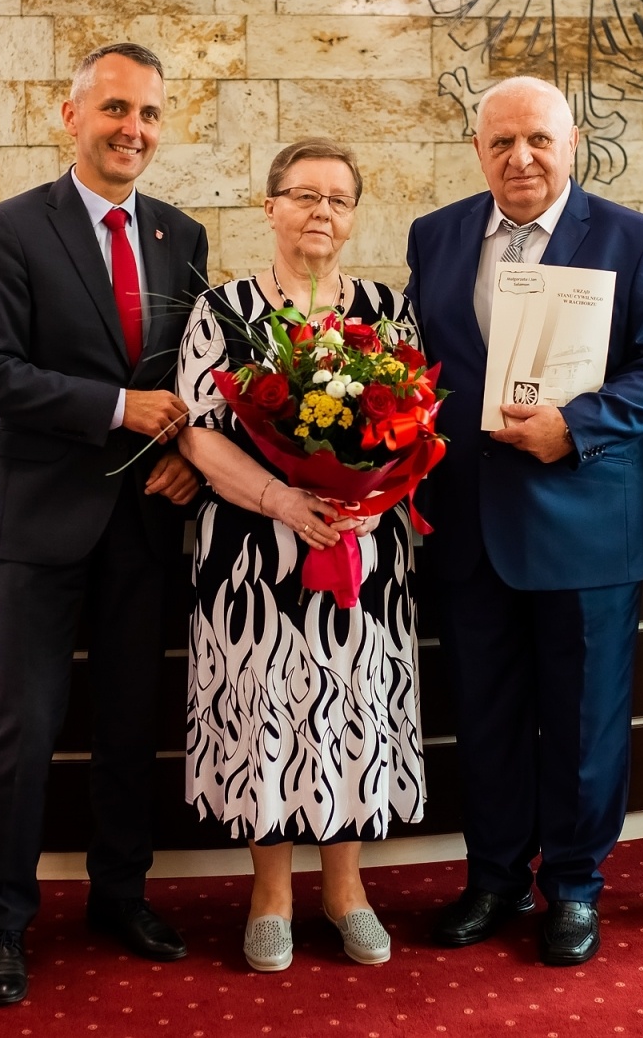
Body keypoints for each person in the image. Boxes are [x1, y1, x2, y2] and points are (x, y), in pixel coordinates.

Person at [404, 76, 643, 966]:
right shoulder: (438, 234)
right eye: (501, 143)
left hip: (584, 525)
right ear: (478, 151)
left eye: (538, 139)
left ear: (573, 144)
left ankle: (573, 885)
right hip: (467, 526)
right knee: (485, 717)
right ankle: (492, 876)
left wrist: (578, 424)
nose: (520, 158)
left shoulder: (635, 237)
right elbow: (424, 365)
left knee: (582, 723)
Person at [0, 42, 209, 1005]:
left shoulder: (181, 237)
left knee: (128, 727)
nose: (131, 130)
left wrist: (188, 451)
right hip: (40, 523)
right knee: (26, 728)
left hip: (146, 521)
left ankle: (119, 895)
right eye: (113, 109)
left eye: (146, 113)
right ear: (71, 116)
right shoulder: (13, 228)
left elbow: (195, 377)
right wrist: (116, 409)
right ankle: (4, 925)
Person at [175, 139, 425, 973]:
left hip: (363, 551)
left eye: (340, 199)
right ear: (270, 205)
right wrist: (285, 499)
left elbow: (413, 431)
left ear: (354, 217)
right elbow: (201, 439)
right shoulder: (223, 309)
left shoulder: (391, 309)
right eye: (304, 195)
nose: (322, 211)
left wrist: (361, 501)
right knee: (266, 708)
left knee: (350, 706)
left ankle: (346, 888)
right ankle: (272, 892)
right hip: (254, 556)